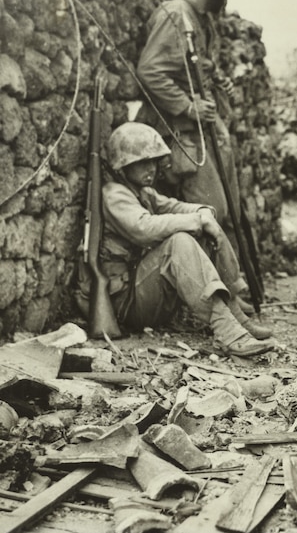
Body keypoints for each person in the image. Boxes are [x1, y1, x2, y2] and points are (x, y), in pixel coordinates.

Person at [75, 122, 273, 358]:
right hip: (125, 303)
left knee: (204, 230)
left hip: (142, 292)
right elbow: (143, 228)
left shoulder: (142, 192)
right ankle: (227, 330)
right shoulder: (114, 194)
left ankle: (236, 316)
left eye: (152, 161)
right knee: (178, 243)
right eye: (141, 163)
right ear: (123, 166)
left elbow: (172, 206)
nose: (150, 168)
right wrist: (198, 221)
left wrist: (202, 212)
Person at [136, 0, 240, 230]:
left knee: (227, 208)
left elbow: (194, 66)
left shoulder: (198, 20)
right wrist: (188, 106)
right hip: (182, 134)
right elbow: (150, 71)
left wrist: (217, 79)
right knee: (211, 210)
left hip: (202, 132)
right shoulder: (176, 15)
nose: (226, 3)